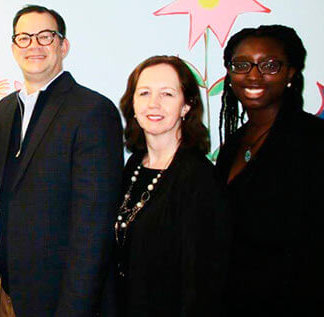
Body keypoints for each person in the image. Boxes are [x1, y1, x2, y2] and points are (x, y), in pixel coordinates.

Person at [0, 5, 123, 316]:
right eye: (24, 37)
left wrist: (73, 308)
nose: (34, 45)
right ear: (13, 47)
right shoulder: (6, 110)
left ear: (63, 45)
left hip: (62, 298)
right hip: (6, 293)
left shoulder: (92, 110)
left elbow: (94, 230)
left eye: (45, 36)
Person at [216, 25, 324, 315]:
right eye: (242, 65)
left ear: (290, 73)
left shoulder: (314, 141)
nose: (253, 75)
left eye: (269, 65)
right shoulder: (233, 145)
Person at [116, 55, 230, 316]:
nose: (153, 104)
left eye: (167, 94)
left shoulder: (200, 179)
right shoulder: (134, 165)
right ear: (132, 104)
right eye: (144, 93)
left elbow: (203, 285)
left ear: (186, 105)